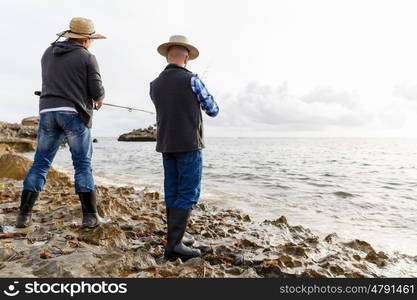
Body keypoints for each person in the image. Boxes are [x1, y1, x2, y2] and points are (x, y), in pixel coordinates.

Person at [16, 17, 106, 229]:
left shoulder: (48, 53)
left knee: (40, 164)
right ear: (85, 39)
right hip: (74, 113)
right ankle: (90, 216)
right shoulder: (87, 57)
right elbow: (97, 91)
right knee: (82, 165)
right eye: (91, 39)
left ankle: (23, 216)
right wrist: (98, 98)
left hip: (47, 112)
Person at [150, 35, 219, 260]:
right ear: (186, 58)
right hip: (189, 143)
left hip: (166, 144)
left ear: (168, 56)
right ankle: (174, 246)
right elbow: (213, 109)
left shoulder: (154, 84)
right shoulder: (193, 80)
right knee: (188, 192)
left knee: (172, 190)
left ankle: (176, 236)